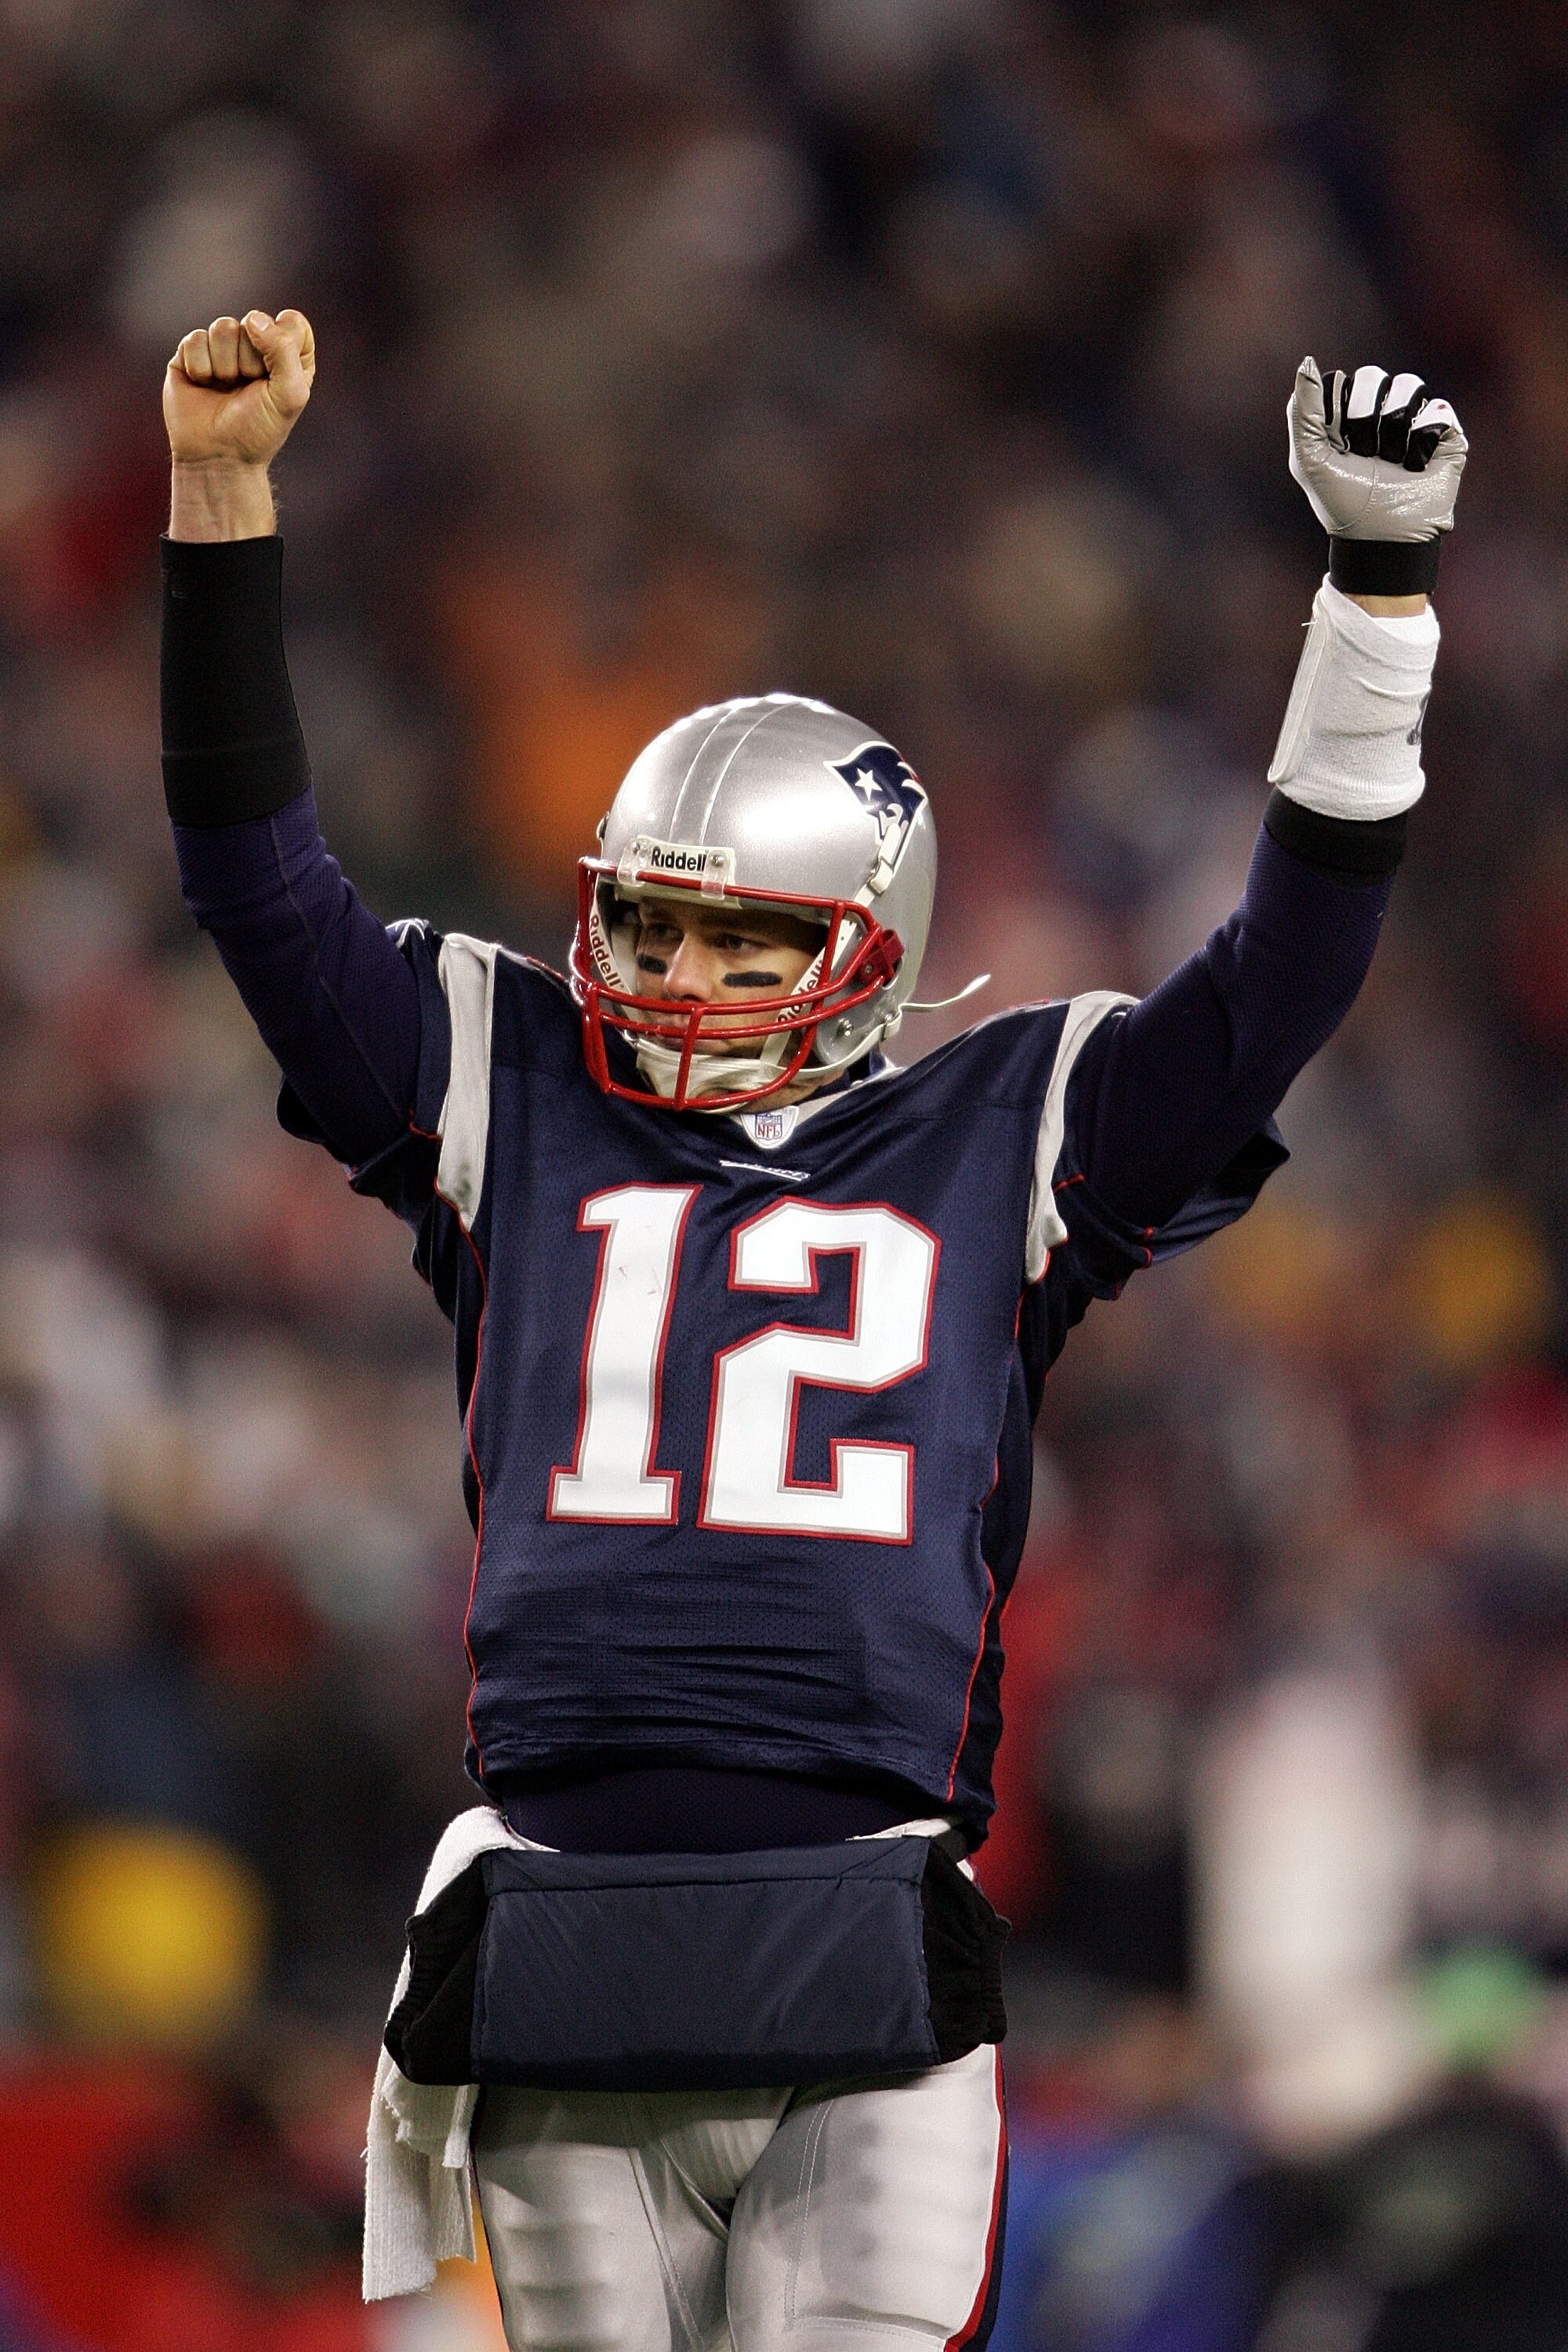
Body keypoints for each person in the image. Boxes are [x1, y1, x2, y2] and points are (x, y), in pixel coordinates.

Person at [158, 309, 1465, 2352]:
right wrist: (220, 499)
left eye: (742, 935)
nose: (681, 972)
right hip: (565, 1932)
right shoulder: (514, 1077)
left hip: (863, 1953)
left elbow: (1278, 976)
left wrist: (1376, 599)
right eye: (653, 920)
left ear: (870, 948)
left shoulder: (1004, 1125)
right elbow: (258, 883)